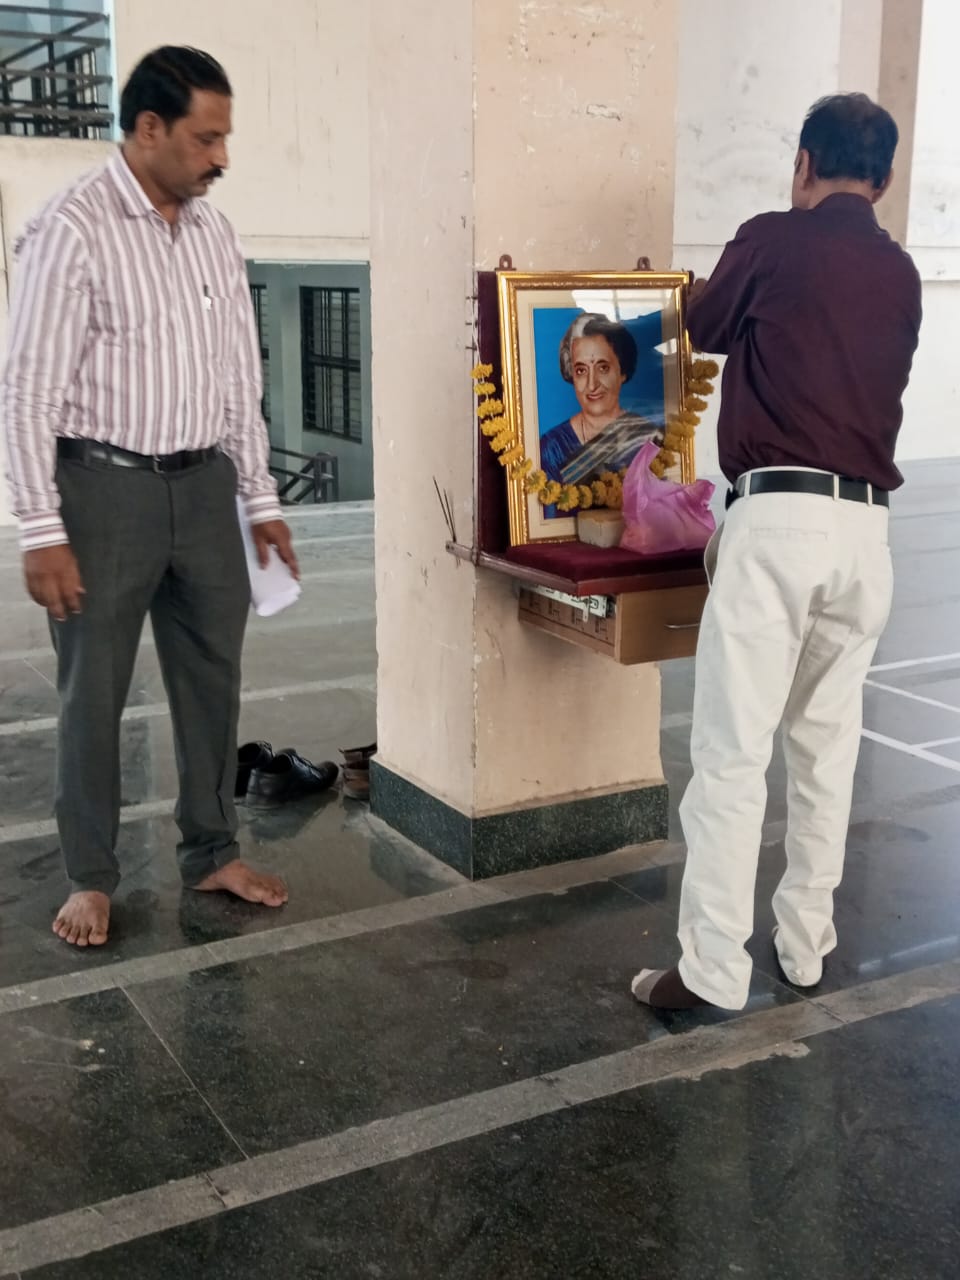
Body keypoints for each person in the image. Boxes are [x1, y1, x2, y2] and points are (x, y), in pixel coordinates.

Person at [0, 47, 298, 948]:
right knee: (94, 687)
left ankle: (212, 847)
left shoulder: (214, 231)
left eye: (225, 137)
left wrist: (259, 497)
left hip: (204, 485)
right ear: (149, 129)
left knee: (212, 678)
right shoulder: (73, 227)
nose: (221, 156)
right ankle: (90, 876)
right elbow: (26, 392)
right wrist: (40, 528)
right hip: (102, 490)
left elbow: (236, 379)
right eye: (206, 138)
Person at [631, 93, 922, 1011]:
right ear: (882, 180)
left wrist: (661, 290)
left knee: (730, 754)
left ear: (803, 163)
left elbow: (701, 330)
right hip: (866, 535)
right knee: (825, 752)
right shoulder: (903, 273)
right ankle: (803, 948)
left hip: (777, 524)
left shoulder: (772, 238)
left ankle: (712, 970)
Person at [539, 313, 659, 512]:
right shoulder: (551, 448)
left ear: (622, 371)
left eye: (603, 368)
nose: (592, 384)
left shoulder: (649, 437)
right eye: (581, 370)